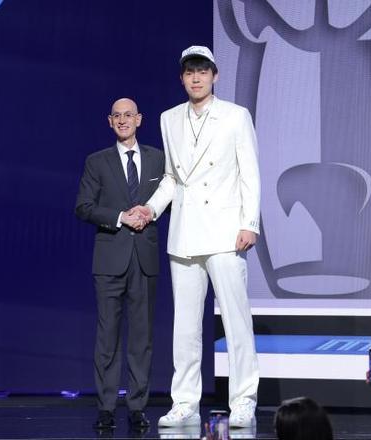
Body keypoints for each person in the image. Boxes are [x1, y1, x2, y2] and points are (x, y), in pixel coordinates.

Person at [132, 45, 260, 428]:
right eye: (190, 72)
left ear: (214, 76)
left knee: (236, 322)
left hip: (225, 232)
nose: (197, 78)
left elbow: (249, 172)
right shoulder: (169, 118)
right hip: (185, 233)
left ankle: (243, 400)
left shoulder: (235, 116)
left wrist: (249, 223)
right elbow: (172, 178)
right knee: (185, 328)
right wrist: (150, 209)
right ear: (182, 78)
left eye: (203, 71)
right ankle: (185, 402)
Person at [75, 98, 164, 431]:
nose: (123, 120)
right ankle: (106, 408)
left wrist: (148, 213)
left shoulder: (158, 159)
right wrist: (119, 217)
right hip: (109, 259)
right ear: (110, 121)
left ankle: (137, 407)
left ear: (139, 119)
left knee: (141, 339)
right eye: (117, 116)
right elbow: (83, 207)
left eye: (129, 115)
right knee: (107, 338)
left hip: (144, 258)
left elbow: (170, 200)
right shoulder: (96, 161)